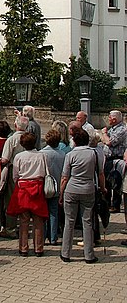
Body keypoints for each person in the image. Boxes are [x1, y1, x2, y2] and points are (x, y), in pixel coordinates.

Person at [60, 128, 106, 264]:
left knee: (69, 222)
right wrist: (103, 188)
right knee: (87, 222)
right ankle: (89, 255)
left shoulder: (70, 155)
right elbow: (100, 173)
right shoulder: (94, 154)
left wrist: (61, 193)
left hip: (72, 189)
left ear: (74, 141)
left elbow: (64, 177)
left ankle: (65, 253)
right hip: (88, 189)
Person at [7, 132, 48, 256]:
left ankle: (23, 248)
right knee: (38, 220)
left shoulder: (19, 157)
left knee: (24, 220)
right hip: (37, 187)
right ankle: (39, 248)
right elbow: (46, 172)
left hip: (23, 188)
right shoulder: (42, 156)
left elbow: (15, 175)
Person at [0, 114, 29, 238]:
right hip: (28, 170)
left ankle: (10, 227)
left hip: (13, 170)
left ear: (16, 125)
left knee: (11, 199)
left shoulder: (11, 140)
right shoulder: (30, 137)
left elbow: (5, 159)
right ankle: (23, 226)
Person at [42, 129, 65, 245]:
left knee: (43, 213)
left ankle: (43, 236)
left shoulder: (42, 153)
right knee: (54, 212)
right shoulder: (62, 154)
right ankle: (53, 237)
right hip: (57, 186)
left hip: (44, 187)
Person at [101, 109, 127, 212]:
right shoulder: (112, 128)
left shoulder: (122, 129)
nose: (108, 119)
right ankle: (107, 204)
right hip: (108, 159)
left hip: (117, 159)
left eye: (109, 117)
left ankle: (115, 205)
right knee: (107, 181)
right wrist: (105, 137)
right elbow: (103, 140)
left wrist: (104, 134)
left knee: (116, 182)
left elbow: (109, 142)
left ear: (115, 119)